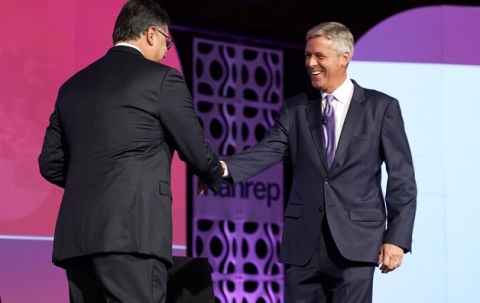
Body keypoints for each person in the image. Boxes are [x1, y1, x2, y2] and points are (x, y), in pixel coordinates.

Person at [200, 22, 417, 302]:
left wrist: (396, 238)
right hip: (303, 246)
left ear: (344, 58)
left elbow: (402, 179)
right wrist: (223, 170)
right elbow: (267, 150)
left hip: (356, 244)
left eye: (319, 56)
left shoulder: (381, 108)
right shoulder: (296, 109)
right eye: (307, 56)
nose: (311, 63)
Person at [38, 0, 224, 302]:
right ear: (151, 34)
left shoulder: (72, 86)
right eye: (167, 41)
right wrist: (216, 172)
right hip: (131, 234)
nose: (166, 51)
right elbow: (195, 148)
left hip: (77, 242)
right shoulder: (163, 78)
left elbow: (50, 164)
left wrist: (94, 181)